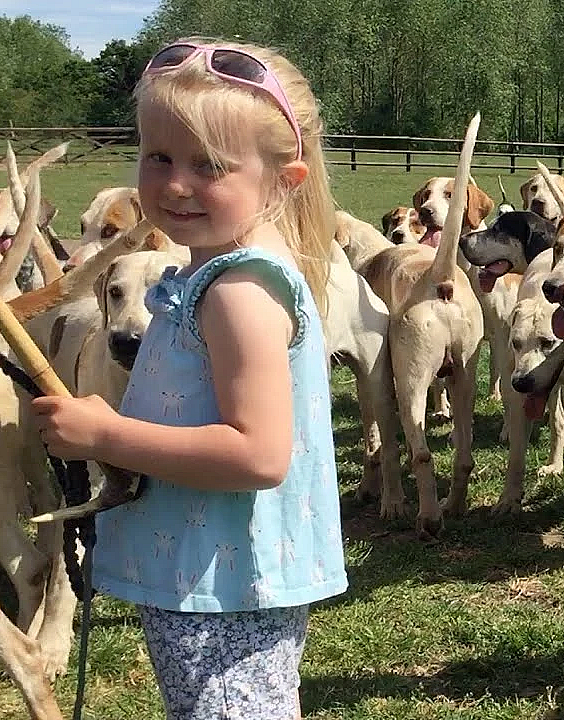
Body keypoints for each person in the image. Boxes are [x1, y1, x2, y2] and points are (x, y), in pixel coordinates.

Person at [32, 36, 346, 719]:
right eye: (158, 156)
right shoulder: (213, 274)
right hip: (205, 572)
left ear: (281, 179)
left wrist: (107, 435)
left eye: (209, 166)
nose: (176, 184)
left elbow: (257, 455)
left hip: (224, 581)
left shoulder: (240, 292)